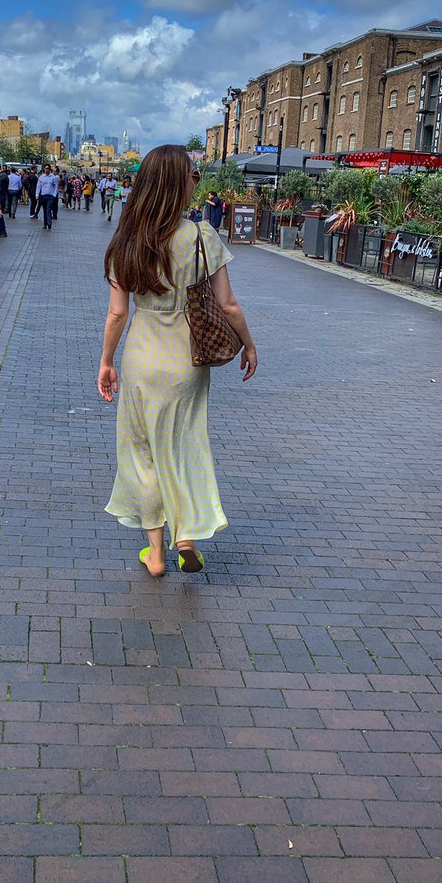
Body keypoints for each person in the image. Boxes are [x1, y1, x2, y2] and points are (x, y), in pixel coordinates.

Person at [98, 144, 257, 577]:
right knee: (184, 445)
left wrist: (106, 361)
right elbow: (227, 305)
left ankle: (155, 555)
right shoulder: (203, 236)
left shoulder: (126, 241)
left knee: (141, 452)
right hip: (187, 361)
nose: (196, 182)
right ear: (177, 184)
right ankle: (185, 534)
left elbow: (118, 313)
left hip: (140, 359)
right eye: (192, 175)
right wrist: (249, 345)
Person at [36, 163, 59, 230]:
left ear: (50, 169)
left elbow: (56, 187)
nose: (46, 170)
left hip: (50, 196)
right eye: (45, 168)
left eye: (47, 169)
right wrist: (37, 194)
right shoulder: (41, 177)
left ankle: (49, 223)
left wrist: (54, 195)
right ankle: (45, 223)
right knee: (44, 210)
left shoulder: (53, 177)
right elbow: (38, 186)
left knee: (48, 209)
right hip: (43, 196)